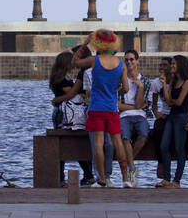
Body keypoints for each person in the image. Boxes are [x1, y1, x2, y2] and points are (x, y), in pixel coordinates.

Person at [72, 29, 129, 188]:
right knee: (117, 142)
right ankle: (125, 179)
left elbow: (74, 62)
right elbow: (126, 88)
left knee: (98, 144)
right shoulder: (120, 64)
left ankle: (102, 179)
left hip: (96, 107)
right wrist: (114, 89)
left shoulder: (94, 61)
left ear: (98, 43)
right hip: (112, 108)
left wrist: (85, 43)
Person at [49, 50, 94, 185]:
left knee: (75, 144)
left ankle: (87, 174)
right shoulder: (61, 80)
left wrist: (56, 100)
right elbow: (70, 94)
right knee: (63, 145)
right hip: (64, 114)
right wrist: (80, 83)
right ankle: (62, 177)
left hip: (68, 112)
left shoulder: (65, 78)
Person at [157, 55, 188, 187]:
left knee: (180, 148)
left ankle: (177, 180)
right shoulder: (173, 80)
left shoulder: (187, 82)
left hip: (182, 117)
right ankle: (166, 178)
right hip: (172, 117)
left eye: (174, 64)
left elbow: (180, 102)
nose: (171, 66)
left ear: (181, 65)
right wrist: (163, 84)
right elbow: (168, 100)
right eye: (171, 63)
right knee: (164, 146)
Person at [117, 49, 149, 188]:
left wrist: (140, 88)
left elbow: (141, 104)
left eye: (132, 59)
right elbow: (117, 105)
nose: (129, 62)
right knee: (125, 138)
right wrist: (134, 106)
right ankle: (131, 169)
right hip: (124, 116)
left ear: (137, 61)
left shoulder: (145, 81)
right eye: (127, 60)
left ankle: (129, 163)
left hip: (140, 116)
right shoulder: (120, 81)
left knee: (143, 136)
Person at [150, 57, 173, 181]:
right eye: (160, 65)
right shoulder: (155, 83)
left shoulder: (177, 81)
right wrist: (156, 113)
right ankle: (160, 162)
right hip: (163, 115)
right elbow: (154, 104)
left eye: (165, 65)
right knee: (158, 130)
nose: (162, 68)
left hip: (175, 115)